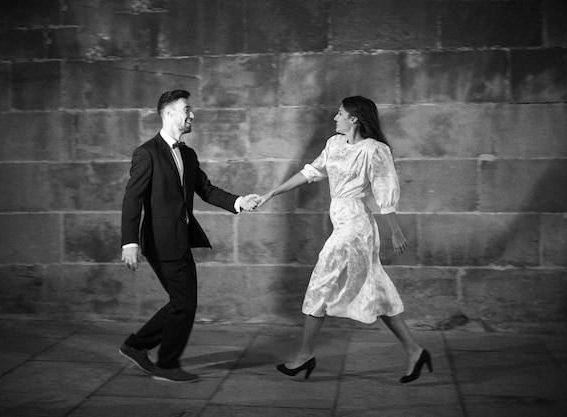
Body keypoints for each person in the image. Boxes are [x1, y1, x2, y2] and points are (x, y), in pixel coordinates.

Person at [257, 96, 432, 383]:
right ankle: (414, 351)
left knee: (320, 284)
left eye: (340, 113)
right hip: (341, 221)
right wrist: (272, 193)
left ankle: (304, 355)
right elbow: (311, 172)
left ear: (354, 118)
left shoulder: (374, 150)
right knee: (376, 289)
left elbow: (385, 188)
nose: (334, 118)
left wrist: (395, 228)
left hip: (356, 226)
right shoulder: (333, 145)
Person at [119, 89, 260, 383]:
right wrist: (129, 242)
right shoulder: (147, 153)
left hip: (180, 239)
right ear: (169, 113)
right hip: (160, 242)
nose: (192, 115)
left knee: (181, 302)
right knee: (184, 303)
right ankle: (167, 365)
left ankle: (136, 345)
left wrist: (238, 201)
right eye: (187, 109)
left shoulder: (188, 153)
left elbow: (206, 190)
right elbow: (132, 200)